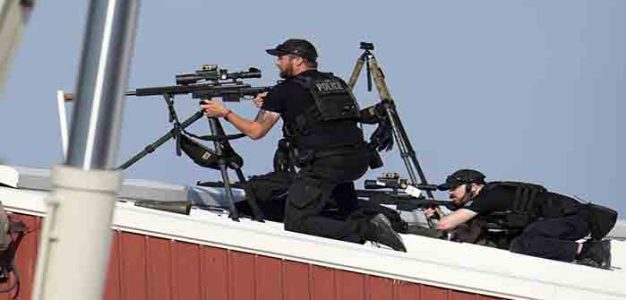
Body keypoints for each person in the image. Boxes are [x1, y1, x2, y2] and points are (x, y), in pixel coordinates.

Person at [201, 39, 406, 251]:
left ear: (297, 60)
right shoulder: (336, 83)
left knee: (297, 222)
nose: (277, 63)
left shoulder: (284, 90)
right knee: (346, 212)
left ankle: (368, 229)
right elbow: (318, 112)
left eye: (281, 58)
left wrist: (225, 113)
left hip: (324, 164)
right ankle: (366, 234)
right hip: (356, 159)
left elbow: (256, 131)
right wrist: (273, 103)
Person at [427, 169, 616, 268]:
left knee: (524, 243)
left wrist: (441, 218)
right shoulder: (486, 205)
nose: (451, 193)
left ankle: (590, 251)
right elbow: (468, 236)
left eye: (454, 188)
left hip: (575, 218)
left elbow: (447, 223)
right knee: (516, 241)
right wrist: (437, 215)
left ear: (473, 186)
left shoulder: (489, 197)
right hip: (563, 221)